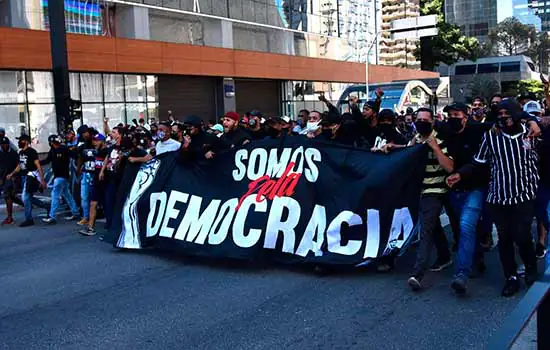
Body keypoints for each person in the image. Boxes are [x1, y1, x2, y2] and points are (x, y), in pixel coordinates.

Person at [448, 99, 540, 297]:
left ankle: (531, 269)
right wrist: (460, 174)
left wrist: (532, 120)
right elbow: (477, 162)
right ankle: (511, 277)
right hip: (498, 197)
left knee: (522, 235)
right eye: (499, 114)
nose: (502, 117)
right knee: (505, 239)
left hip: (524, 195)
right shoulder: (491, 136)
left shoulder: (532, 133)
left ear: (516, 113)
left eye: (507, 113)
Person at [440, 102, 490, 294]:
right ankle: (477, 258)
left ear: (466, 116)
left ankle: (461, 274)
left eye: (456, 114)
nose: (453, 118)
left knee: (467, 226)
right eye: (450, 114)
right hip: (455, 191)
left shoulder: (477, 130)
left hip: (475, 188)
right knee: (466, 229)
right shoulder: (446, 133)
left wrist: (531, 121)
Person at [407, 108, 454, 292]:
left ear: (433, 122)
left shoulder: (440, 140)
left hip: (435, 190)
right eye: (419, 119)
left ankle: (417, 273)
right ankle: (444, 255)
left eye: (426, 120)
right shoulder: (415, 140)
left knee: (425, 230)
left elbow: (449, 167)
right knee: (432, 225)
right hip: (420, 189)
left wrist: (434, 147)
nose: (422, 122)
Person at [6, 134, 47, 227]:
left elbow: (38, 166)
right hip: (24, 177)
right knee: (28, 198)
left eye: (21, 140)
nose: (19, 142)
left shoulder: (32, 152)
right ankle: (46, 206)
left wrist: (42, 180)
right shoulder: (20, 153)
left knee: (25, 197)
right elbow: (20, 166)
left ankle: (29, 219)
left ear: (26, 142)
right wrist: (12, 174)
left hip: (31, 177)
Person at [40, 135, 80, 224]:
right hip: (60, 176)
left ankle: (52, 216)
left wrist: (75, 150)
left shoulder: (64, 149)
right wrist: (37, 162)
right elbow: (47, 160)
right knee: (67, 194)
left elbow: (75, 156)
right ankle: (75, 212)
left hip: (61, 176)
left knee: (55, 195)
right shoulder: (53, 150)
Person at [80, 133, 108, 236]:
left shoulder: (107, 151)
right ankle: (90, 228)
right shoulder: (97, 152)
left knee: (108, 205)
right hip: (96, 181)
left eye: (96, 140)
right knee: (93, 204)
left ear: (102, 141)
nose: (94, 143)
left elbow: (108, 160)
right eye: (93, 141)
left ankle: (111, 226)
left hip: (106, 182)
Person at [76, 126, 97, 227]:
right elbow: (80, 158)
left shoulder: (96, 142)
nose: (84, 136)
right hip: (86, 172)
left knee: (94, 197)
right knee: (84, 196)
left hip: (95, 173)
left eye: (84, 133)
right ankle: (85, 217)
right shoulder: (83, 146)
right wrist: (78, 169)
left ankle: (93, 216)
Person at [0, 136, 19, 225]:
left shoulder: (13, 153)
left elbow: (18, 165)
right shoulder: (0, 153)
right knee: (11, 197)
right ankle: (26, 205)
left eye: (6, 144)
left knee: (8, 196)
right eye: (2, 145)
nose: (4, 146)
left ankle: (10, 217)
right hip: (2, 177)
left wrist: (13, 175)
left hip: (10, 177)